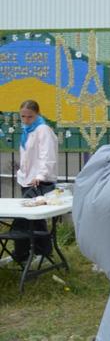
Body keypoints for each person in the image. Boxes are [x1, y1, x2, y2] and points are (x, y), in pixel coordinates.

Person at [5, 100, 59, 265]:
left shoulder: (43, 130)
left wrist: (41, 175)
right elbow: (28, 157)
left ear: (37, 114)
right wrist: (22, 173)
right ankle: (40, 253)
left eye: (30, 116)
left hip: (40, 181)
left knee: (24, 218)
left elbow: (47, 155)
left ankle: (21, 253)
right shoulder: (28, 130)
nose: (26, 120)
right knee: (35, 220)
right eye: (23, 116)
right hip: (28, 181)